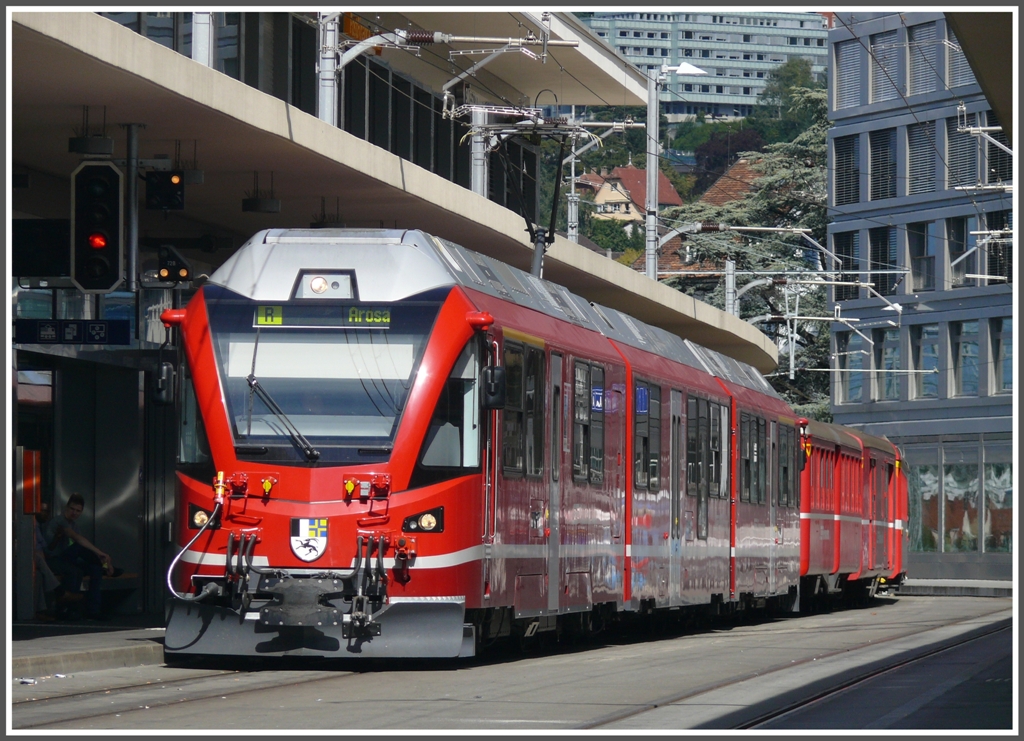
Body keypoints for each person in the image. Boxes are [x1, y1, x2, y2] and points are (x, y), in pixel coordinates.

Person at [43, 493, 119, 620]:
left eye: (78, 511)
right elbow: (77, 539)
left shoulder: (74, 525)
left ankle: (93, 610)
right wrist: (100, 553)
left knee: (95, 569)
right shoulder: (60, 521)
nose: (74, 513)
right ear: (66, 507)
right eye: (72, 509)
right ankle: (105, 566)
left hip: (65, 558)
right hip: (53, 558)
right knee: (79, 548)